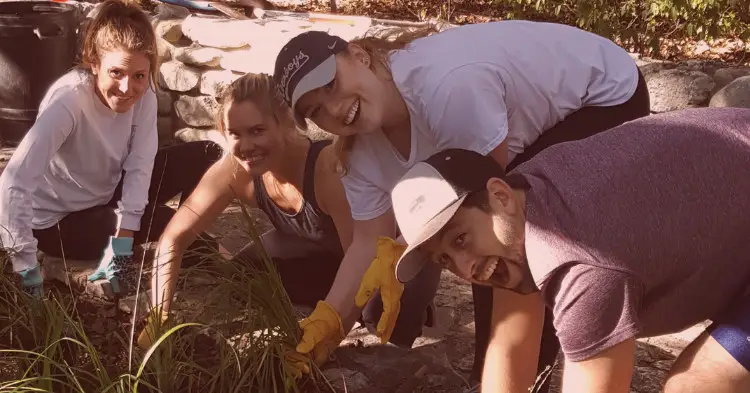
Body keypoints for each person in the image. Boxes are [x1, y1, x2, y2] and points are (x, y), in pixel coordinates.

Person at [272, 19, 651, 389]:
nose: (335, 110)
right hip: (523, 128)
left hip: (603, 96)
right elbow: (367, 244)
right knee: (473, 245)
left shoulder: (446, 88)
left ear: (359, 56)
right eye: (316, 111)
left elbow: (489, 220)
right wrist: (327, 328)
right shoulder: (356, 154)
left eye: (332, 85)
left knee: (505, 237)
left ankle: (520, 372)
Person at [388, 107, 750, 393]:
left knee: (700, 385)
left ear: (499, 195)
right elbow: (512, 346)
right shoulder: (520, 205)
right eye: (445, 260)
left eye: (460, 239)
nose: (466, 270)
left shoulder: (579, 265)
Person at [136, 73, 440, 352]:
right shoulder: (234, 169)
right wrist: (159, 315)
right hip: (320, 254)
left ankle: (416, 304)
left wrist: (319, 343)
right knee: (242, 277)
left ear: (287, 123)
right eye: (235, 134)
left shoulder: (328, 172)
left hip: (386, 255)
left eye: (257, 130)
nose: (246, 145)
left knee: (378, 311)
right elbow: (173, 238)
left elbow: (361, 267)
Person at [0, 0, 218, 298]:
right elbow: (13, 182)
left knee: (207, 154)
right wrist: (26, 268)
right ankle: (191, 247)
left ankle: (179, 251)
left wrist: (123, 246)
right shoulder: (68, 103)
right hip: (60, 223)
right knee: (177, 229)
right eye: (116, 72)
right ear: (94, 62)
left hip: (106, 192)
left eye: (139, 75)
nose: (127, 88)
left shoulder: (144, 95)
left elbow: (141, 165)